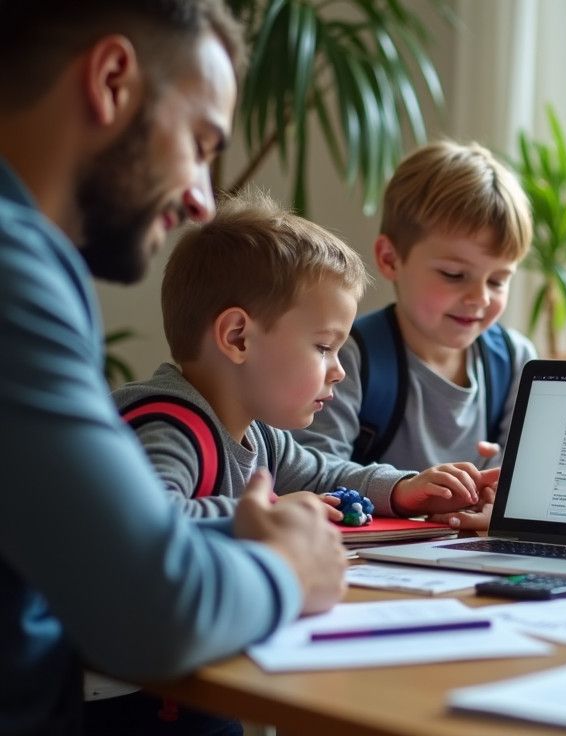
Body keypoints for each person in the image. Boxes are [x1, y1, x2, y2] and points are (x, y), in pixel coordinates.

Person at [0, 2, 345, 733]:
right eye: (200, 141)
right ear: (112, 80)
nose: (197, 200)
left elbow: (107, 549)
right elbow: (154, 611)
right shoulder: (11, 270)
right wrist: (291, 570)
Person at [113, 191, 497, 520]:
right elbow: (148, 519)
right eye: (324, 348)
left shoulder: (260, 434)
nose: (339, 372)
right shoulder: (170, 427)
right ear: (238, 337)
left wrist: (403, 489)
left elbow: (326, 476)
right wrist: (268, 510)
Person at [294, 140, 536, 530]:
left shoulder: (514, 360)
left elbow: (534, 482)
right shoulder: (347, 358)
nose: (479, 298)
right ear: (390, 259)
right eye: (454, 275)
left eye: (498, 280)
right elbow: (307, 471)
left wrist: (503, 486)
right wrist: (407, 491)